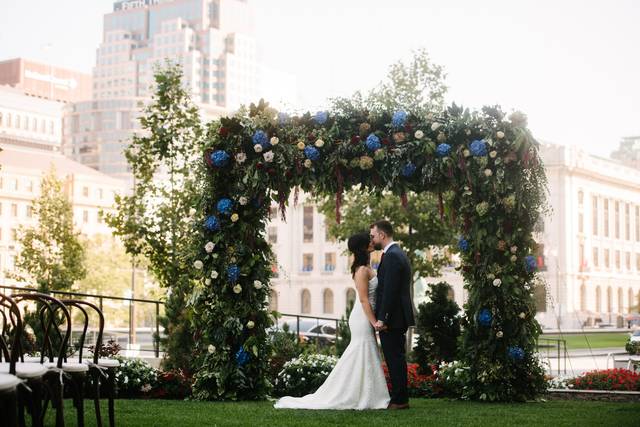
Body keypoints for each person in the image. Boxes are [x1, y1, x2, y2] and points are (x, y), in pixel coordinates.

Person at [274, 232, 390, 410]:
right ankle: (352, 393)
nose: (372, 242)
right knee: (361, 351)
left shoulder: (366, 267)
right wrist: (375, 322)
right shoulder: (361, 270)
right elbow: (364, 300)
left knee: (367, 353)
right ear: (363, 247)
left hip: (366, 316)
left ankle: (369, 394)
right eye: (369, 241)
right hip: (362, 317)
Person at [370, 220, 415, 410]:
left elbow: (390, 291)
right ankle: (399, 398)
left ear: (382, 235)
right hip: (396, 316)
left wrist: (383, 318)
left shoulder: (393, 256)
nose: (372, 239)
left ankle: (399, 400)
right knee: (396, 358)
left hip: (393, 318)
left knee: (394, 359)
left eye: (373, 235)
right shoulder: (394, 254)